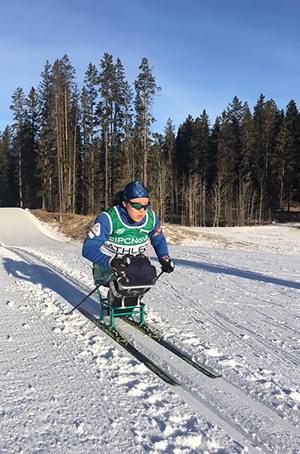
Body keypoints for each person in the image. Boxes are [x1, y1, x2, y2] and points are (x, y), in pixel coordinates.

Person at [82, 181, 175, 286]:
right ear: (125, 203)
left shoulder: (151, 218)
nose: (142, 211)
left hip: (136, 261)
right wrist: (110, 261)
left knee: (149, 276)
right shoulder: (108, 218)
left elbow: (158, 240)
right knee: (124, 279)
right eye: (136, 206)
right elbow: (88, 249)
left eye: (146, 205)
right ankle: (115, 299)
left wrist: (164, 258)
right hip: (109, 262)